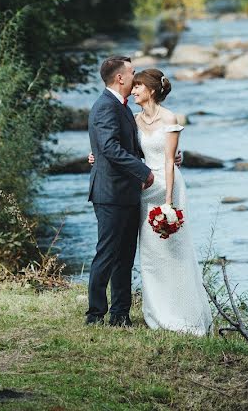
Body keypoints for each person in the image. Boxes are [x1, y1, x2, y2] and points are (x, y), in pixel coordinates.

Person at [132, 68, 213, 335]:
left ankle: (183, 314)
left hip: (168, 187)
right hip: (146, 186)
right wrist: (95, 155)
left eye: (138, 87)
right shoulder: (134, 119)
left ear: (151, 90)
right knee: (151, 253)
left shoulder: (170, 118)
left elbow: (169, 159)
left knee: (174, 250)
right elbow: (123, 150)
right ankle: (158, 313)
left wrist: (168, 204)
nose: (133, 91)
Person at [85, 56, 153, 327]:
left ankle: (120, 314)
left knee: (125, 256)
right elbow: (110, 148)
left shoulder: (122, 106)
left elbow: (129, 146)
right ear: (120, 78)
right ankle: (95, 314)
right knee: (108, 253)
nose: (136, 78)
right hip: (110, 193)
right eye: (133, 73)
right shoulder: (105, 106)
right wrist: (143, 171)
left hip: (127, 193)